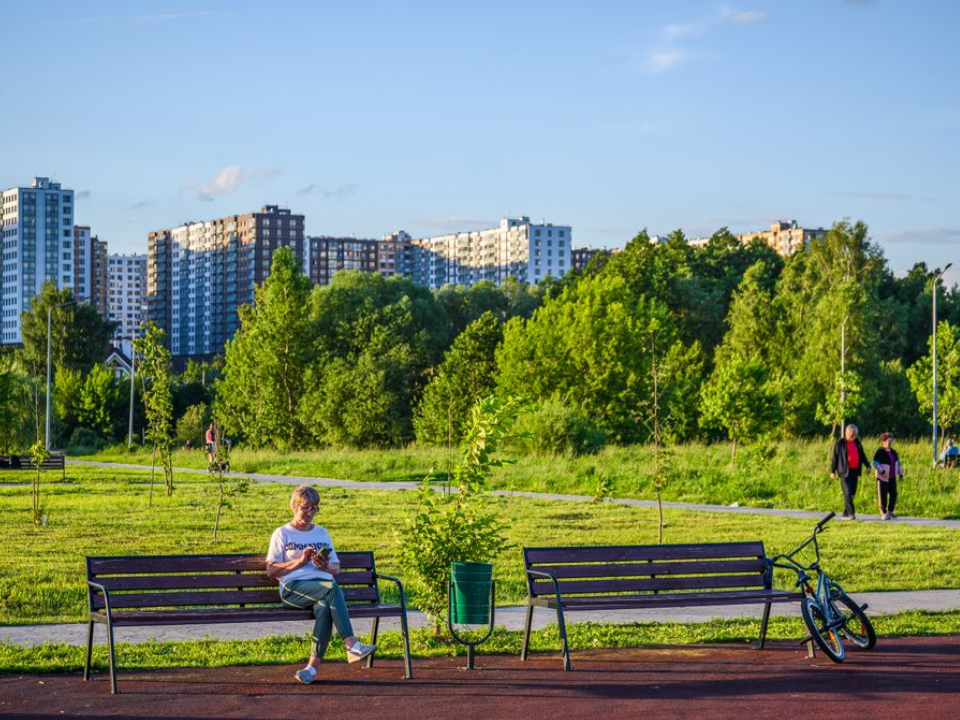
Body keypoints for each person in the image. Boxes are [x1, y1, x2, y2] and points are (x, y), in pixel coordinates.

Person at [266, 485, 375, 684]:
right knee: (331, 588)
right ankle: (351, 644)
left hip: (322, 589)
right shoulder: (282, 533)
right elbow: (271, 571)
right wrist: (299, 562)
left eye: (314, 508)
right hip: (293, 587)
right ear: (294, 506)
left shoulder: (322, 533)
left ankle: (311, 670)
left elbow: (336, 569)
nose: (309, 513)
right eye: (305, 508)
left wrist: (324, 566)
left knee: (325, 607)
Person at [830, 423, 869, 520]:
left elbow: (862, 454)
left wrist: (867, 465)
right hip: (844, 472)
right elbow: (835, 457)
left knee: (852, 493)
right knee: (847, 492)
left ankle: (845, 514)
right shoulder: (840, 442)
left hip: (854, 472)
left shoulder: (857, 442)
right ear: (846, 433)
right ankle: (851, 514)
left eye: (854, 434)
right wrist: (832, 470)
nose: (853, 436)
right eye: (851, 434)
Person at [872, 432, 904, 520]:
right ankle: (883, 513)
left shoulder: (894, 452)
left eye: (891, 441)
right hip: (882, 478)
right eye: (888, 441)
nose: (889, 443)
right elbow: (875, 463)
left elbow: (898, 463)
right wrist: (882, 472)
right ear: (883, 441)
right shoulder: (880, 451)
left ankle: (890, 511)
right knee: (883, 495)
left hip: (892, 477)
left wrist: (901, 474)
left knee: (894, 494)